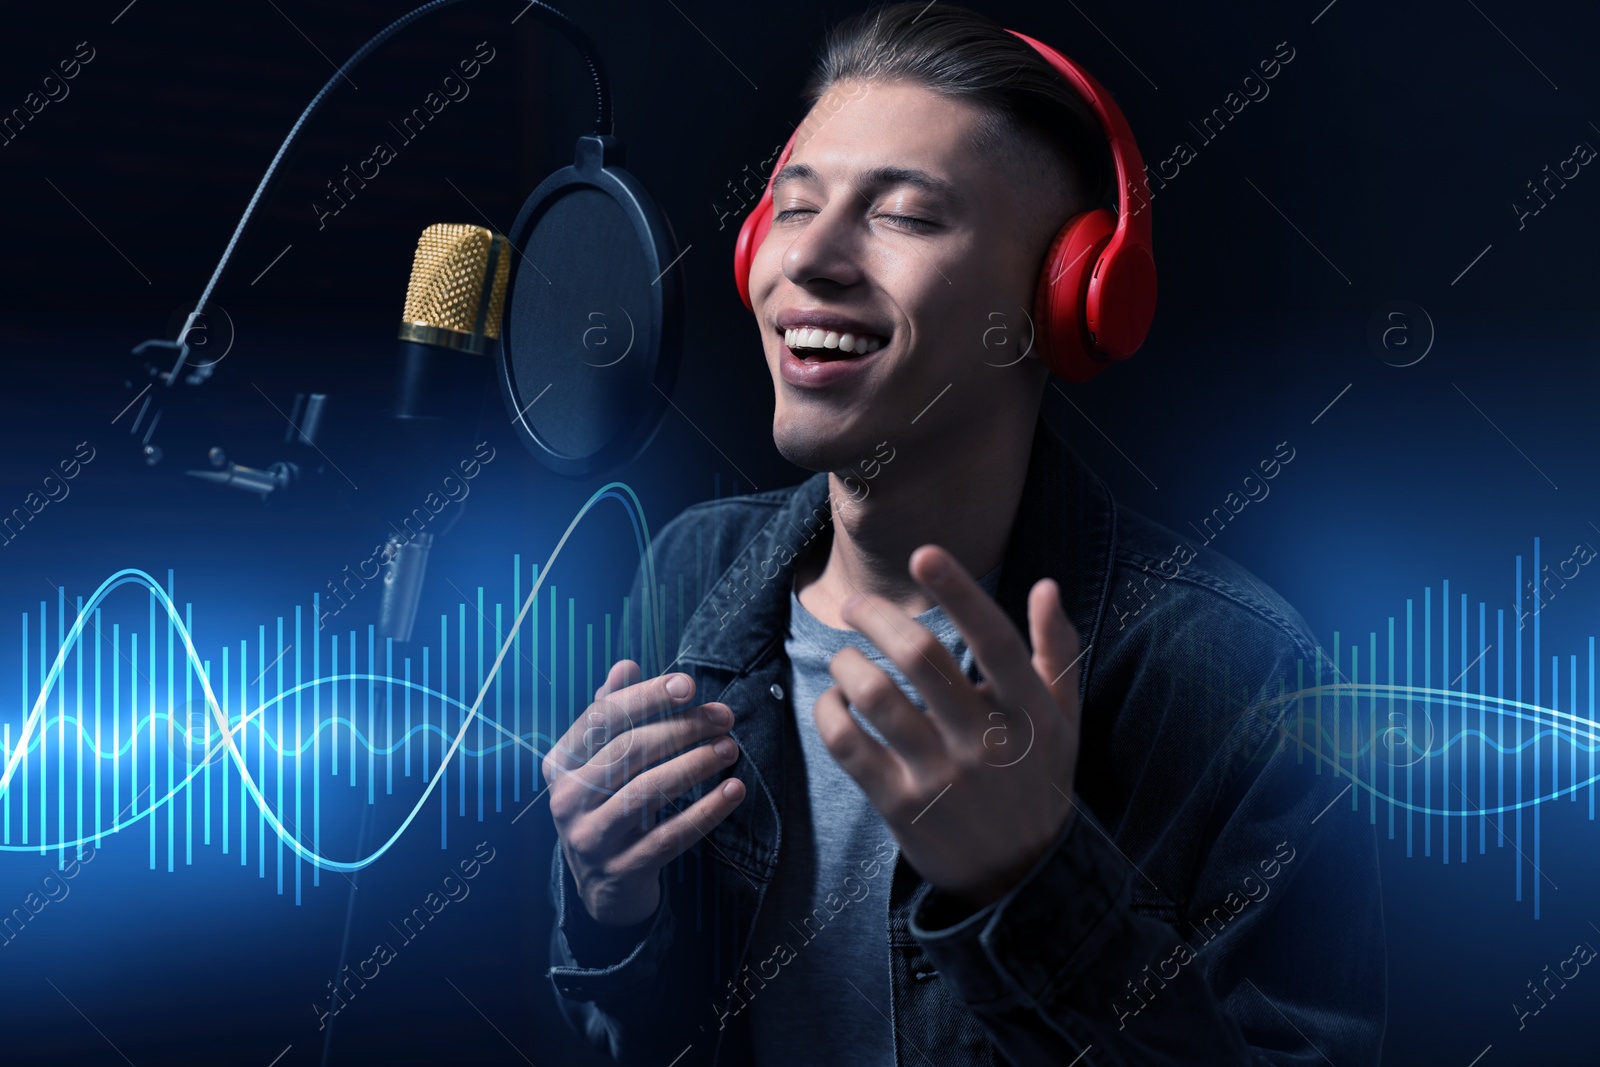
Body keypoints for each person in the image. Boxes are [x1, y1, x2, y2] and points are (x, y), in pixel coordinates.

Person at [541, 5, 1386, 1065]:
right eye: (791, 209)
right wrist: (611, 913)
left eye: (901, 215)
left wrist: (1033, 882)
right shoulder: (690, 569)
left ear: (1071, 298)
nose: (813, 259)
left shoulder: (1233, 678)